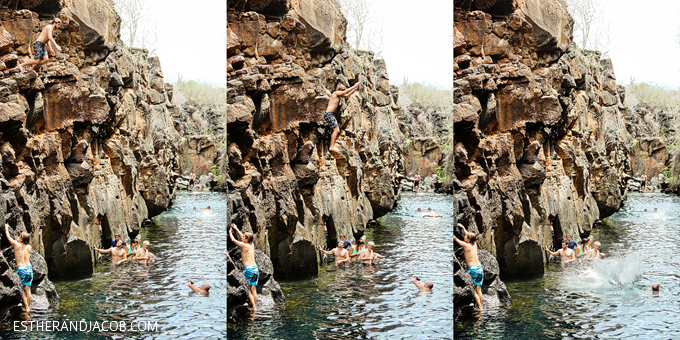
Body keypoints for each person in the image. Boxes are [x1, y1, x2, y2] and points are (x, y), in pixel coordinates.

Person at [324, 83, 360, 155]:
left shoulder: (339, 95)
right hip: (329, 114)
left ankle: (332, 145)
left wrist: (354, 89)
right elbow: (345, 92)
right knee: (336, 130)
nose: (343, 93)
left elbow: (346, 95)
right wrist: (353, 86)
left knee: (335, 130)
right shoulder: (335, 93)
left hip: (330, 115)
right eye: (342, 91)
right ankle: (332, 146)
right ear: (340, 90)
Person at [454, 223, 483, 313]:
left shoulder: (466, 246)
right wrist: (463, 228)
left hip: (473, 270)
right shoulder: (474, 245)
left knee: (473, 289)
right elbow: (470, 236)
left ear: (469, 239)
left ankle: (479, 307)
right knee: (479, 289)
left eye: (466, 236)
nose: (464, 236)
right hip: (479, 269)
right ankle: (479, 305)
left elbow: (455, 239)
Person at [229, 224, 258, 312]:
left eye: (244, 237)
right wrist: (236, 228)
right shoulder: (251, 245)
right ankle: (254, 305)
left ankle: (254, 307)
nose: (242, 237)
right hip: (255, 269)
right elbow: (242, 236)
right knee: (254, 288)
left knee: (248, 289)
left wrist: (230, 231)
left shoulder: (244, 246)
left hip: (248, 269)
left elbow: (233, 240)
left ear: (247, 239)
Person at [4, 225, 32, 312]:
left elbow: (8, 237)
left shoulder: (16, 245)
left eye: (20, 236)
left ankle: (26, 308)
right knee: (28, 289)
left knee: (22, 289)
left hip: (21, 269)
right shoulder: (29, 247)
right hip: (29, 269)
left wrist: (6, 228)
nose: (18, 237)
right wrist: (19, 240)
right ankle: (28, 307)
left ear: (22, 239)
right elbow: (23, 246)